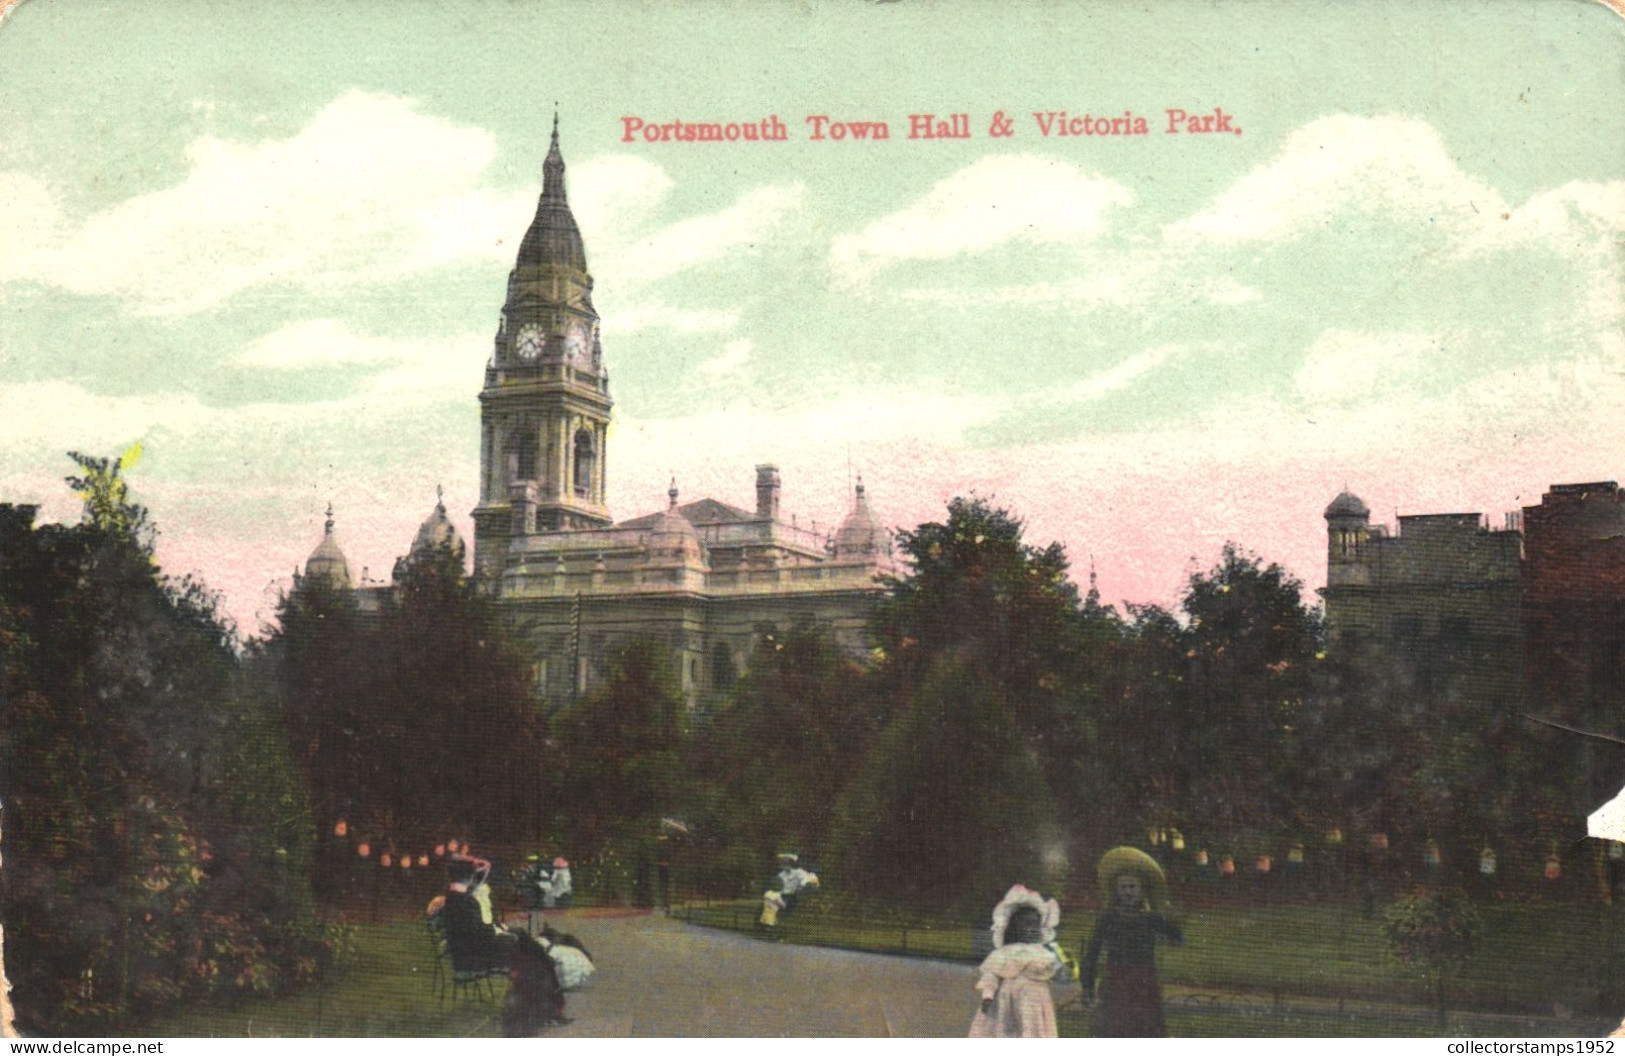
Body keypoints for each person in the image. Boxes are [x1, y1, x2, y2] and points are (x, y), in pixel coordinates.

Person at [1080, 847, 1183, 1037]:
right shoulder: (1108, 918)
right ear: (1116, 890)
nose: (1128, 892)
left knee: (1145, 1027)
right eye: (1123, 887)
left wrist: (1169, 916)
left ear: (1142, 890)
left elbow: (1177, 938)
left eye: (1132, 887)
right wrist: (1087, 986)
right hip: (1116, 980)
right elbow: (1092, 953)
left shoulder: (1151, 919)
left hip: (1144, 982)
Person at [969, 885, 1064, 1038]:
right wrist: (987, 996)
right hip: (1006, 1003)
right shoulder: (1004, 952)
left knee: (1033, 1031)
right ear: (1013, 927)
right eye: (1027, 924)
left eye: (1035, 925)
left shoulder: (1041, 952)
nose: (1032, 929)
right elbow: (991, 976)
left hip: (1034, 1001)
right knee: (1003, 1032)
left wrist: (1060, 966)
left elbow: (1055, 972)